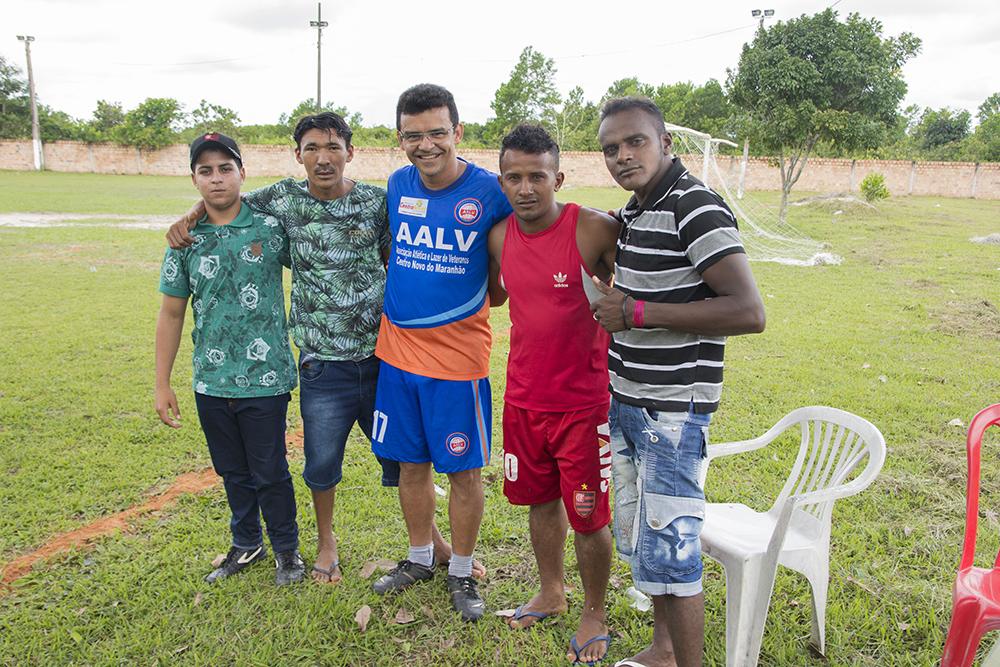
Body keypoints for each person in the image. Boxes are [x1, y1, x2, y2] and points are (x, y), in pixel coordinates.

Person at [164, 114, 474, 585]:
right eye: (311, 148)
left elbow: (403, 254)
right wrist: (191, 214)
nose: (323, 157)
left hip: (383, 359)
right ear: (297, 155)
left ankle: (435, 543)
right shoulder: (283, 199)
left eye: (332, 147)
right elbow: (228, 199)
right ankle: (326, 544)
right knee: (321, 464)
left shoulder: (377, 202)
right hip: (319, 364)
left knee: (403, 460)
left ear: (351, 152)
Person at [590, 98, 766, 667]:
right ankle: (663, 650)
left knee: (674, 548)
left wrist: (637, 313)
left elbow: (747, 311)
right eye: (611, 148)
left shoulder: (695, 207)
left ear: (667, 144)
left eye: (635, 142)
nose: (622, 156)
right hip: (629, 403)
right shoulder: (641, 209)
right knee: (645, 541)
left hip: (672, 412)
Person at [370, 84, 512, 622]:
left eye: (436, 132)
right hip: (398, 356)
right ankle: (420, 559)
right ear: (400, 138)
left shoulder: (492, 191)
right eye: (413, 135)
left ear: (457, 132)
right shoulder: (397, 184)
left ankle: (462, 572)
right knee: (410, 466)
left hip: (458, 364)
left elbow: (533, 227)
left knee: (464, 472)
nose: (424, 144)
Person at [488, 124, 619, 665]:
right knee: (539, 501)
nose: (526, 188)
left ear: (557, 176)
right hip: (522, 399)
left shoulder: (592, 229)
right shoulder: (499, 237)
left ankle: (594, 610)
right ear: (502, 181)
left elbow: (637, 289)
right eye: (514, 177)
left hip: (584, 406)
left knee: (588, 513)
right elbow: (497, 296)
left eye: (537, 176)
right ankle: (551, 590)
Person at [155, 132, 305, 585]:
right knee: (232, 471)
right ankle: (246, 544)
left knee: (270, 470)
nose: (216, 178)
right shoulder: (184, 241)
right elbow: (171, 311)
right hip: (211, 380)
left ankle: (287, 550)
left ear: (242, 172)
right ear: (194, 179)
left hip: (266, 378)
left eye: (225, 168)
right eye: (206, 171)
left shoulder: (270, 227)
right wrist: (162, 383)